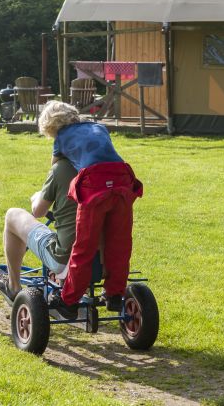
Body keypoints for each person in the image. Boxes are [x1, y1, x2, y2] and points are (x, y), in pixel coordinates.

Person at [38, 101, 143, 314]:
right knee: (120, 243)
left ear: (50, 126)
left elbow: (56, 166)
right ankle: (115, 294)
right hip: (122, 178)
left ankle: (69, 299)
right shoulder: (98, 127)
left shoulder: (61, 138)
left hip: (94, 184)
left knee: (84, 245)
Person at [0, 159, 78, 308]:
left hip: (66, 259)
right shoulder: (109, 168)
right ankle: (69, 287)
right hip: (104, 261)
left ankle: (13, 286)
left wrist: (38, 197)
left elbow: (38, 211)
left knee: (13, 215)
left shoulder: (62, 168)